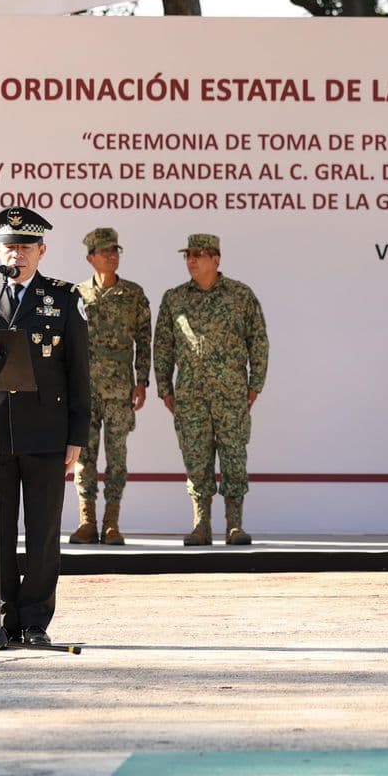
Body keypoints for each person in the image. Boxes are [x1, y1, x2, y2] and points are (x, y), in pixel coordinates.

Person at [0, 206, 89, 645]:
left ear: (42, 251)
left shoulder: (64, 299)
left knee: (43, 532)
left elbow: (79, 372)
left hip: (46, 432)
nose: (17, 255)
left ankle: (33, 623)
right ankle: (3, 619)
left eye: (26, 247)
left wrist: (76, 435)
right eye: (10, 247)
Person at [153, 233, 268, 547]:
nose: (192, 260)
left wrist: (255, 384)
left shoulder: (240, 295)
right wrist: (164, 388)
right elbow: (162, 345)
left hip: (231, 394)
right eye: (188, 255)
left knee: (234, 456)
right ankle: (201, 524)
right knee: (196, 459)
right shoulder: (174, 298)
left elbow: (258, 341)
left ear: (216, 259)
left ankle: (234, 525)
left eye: (199, 254)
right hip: (190, 396)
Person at [70, 227, 152, 546]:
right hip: (84, 391)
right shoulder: (76, 295)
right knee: (84, 457)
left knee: (117, 458)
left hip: (120, 390)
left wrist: (142, 380)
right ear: (91, 257)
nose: (112, 256)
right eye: (105, 251)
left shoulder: (133, 294)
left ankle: (112, 523)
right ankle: (87, 521)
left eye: (116, 250)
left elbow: (144, 341)